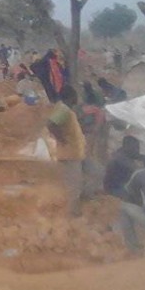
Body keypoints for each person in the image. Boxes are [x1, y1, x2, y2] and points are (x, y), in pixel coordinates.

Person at [46, 84, 87, 216]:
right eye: (75, 96)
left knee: (71, 183)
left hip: (71, 153)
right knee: (73, 185)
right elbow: (51, 125)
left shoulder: (64, 109)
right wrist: (62, 139)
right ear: (71, 97)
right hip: (70, 154)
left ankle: (67, 210)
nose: (77, 99)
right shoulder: (64, 109)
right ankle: (71, 214)